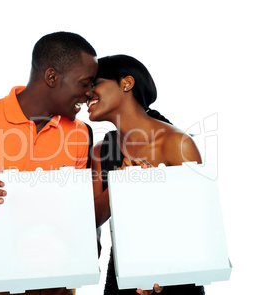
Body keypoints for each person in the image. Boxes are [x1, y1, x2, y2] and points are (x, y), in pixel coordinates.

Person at [0, 32, 98, 295]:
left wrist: (93, 247)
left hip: (63, 265)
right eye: (85, 83)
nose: (90, 94)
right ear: (52, 77)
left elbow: (83, 209)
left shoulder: (81, 133)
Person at [88, 55, 205, 295]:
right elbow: (93, 218)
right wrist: (122, 184)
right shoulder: (101, 150)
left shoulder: (176, 143)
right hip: (122, 271)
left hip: (176, 272)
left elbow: (199, 220)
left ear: (126, 83)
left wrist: (160, 267)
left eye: (94, 84)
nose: (86, 94)